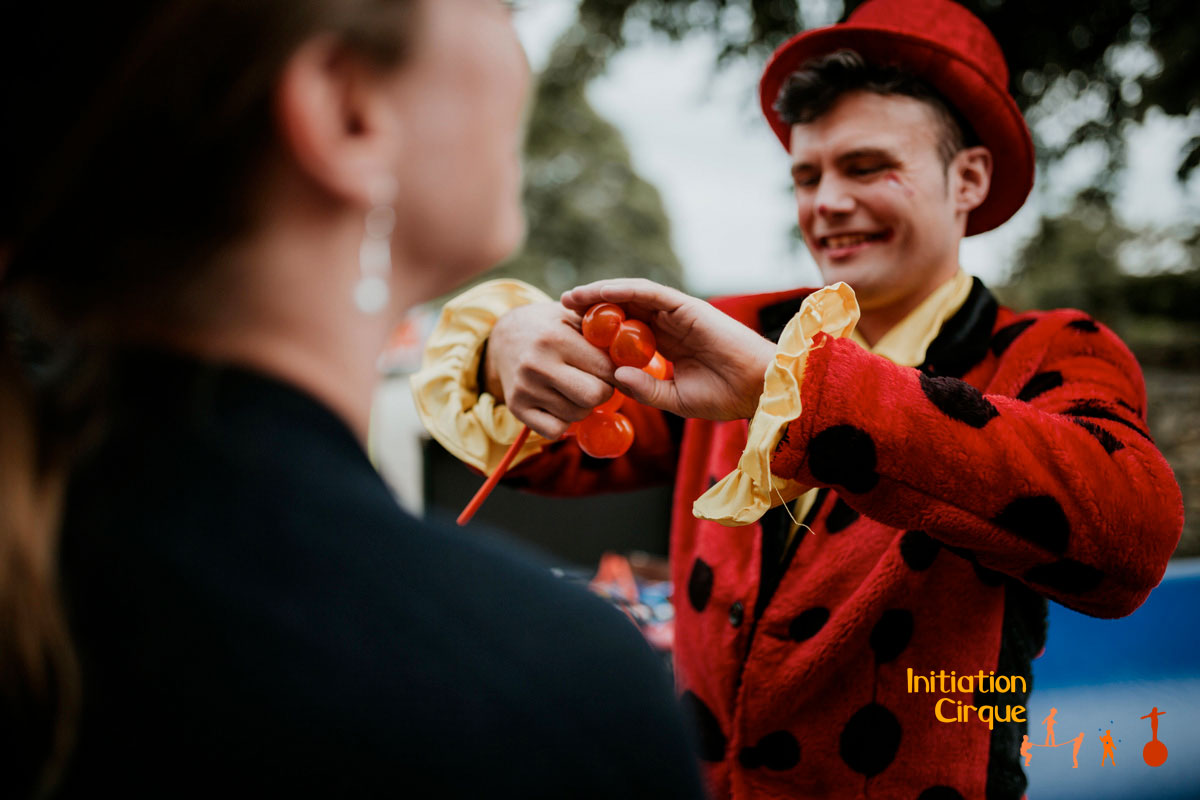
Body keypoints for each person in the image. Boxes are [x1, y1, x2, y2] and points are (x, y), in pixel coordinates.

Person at [411, 0, 1184, 798]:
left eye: (866, 167)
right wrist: (507, 349)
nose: (826, 204)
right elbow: (563, 453)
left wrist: (805, 393)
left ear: (969, 179)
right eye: (807, 176)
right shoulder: (733, 328)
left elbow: (1129, 534)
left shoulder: (1049, 349)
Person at [0, 2, 707, 798]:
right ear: (347, 110)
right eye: (502, 10)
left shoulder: (60, 551)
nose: (524, 61)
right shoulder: (552, 698)